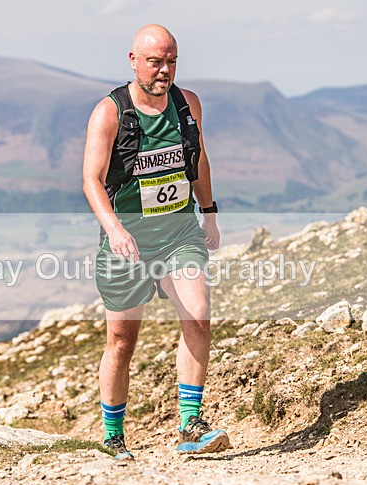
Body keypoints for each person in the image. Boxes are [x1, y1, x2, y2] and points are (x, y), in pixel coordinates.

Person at [82, 25, 230, 459]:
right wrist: (114, 228)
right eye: (155, 62)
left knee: (198, 314)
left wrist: (210, 211)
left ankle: (190, 425)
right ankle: (113, 435)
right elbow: (91, 180)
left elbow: (197, 159)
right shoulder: (110, 113)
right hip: (128, 243)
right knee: (122, 341)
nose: (164, 71)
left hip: (179, 233)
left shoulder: (188, 105)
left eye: (172, 61)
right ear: (133, 60)